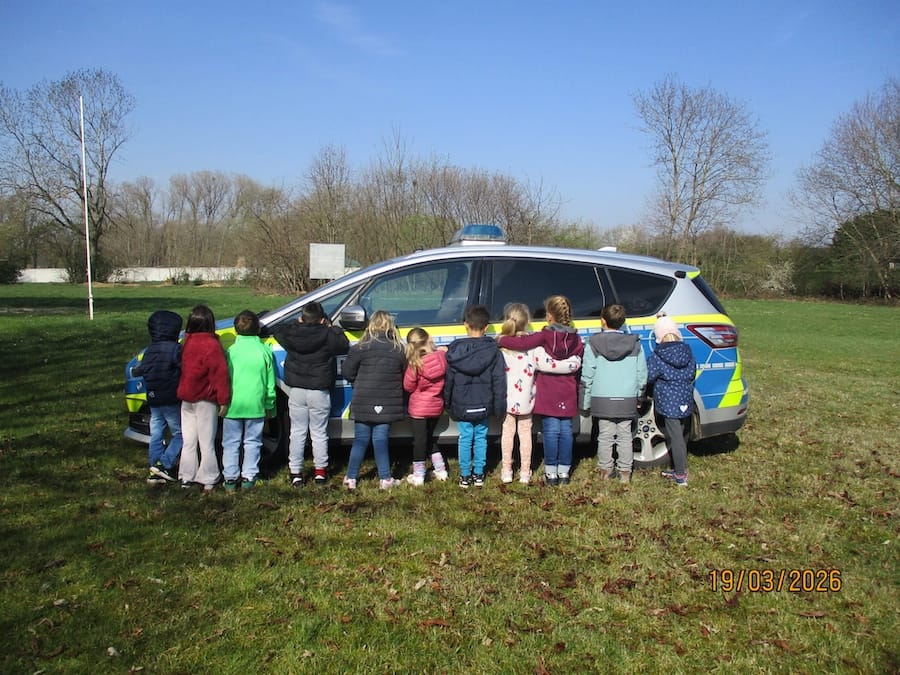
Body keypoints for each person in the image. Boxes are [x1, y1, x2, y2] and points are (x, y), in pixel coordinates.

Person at [497, 295, 583, 486]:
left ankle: (550, 472)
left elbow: (521, 345)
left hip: (545, 393)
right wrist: (571, 365)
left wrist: (500, 339)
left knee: (551, 431)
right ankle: (564, 472)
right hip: (566, 391)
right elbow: (577, 359)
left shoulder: (544, 335)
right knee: (566, 431)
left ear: (549, 316)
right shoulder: (576, 338)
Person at [273, 301, 350, 487]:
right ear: (322, 319)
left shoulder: (293, 333)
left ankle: (296, 472)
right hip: (319, 391)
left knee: (297, 432)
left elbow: (278, 329)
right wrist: (331, 327)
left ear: (301, 318)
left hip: (297, 390)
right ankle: (320, 472)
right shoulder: (327, 334)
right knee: (319, 432)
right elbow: (343, 344)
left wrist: (298, 323)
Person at [581, 304, 647, 484]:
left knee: (605, 436)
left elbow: (588, 375)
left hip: (602, 399)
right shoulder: (635, 344)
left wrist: (584, 403)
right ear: (623, 322)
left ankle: (605, 470)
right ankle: (625, 472)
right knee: (626, 436)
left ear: (603, 320)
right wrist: (640, 396)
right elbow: (642, 374)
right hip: (626, 398)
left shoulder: (593, 344)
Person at [342, 311, 407, 490]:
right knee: (380, 439)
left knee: (360, 439)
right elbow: (405, 375)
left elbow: (347, 372)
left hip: (363, 398)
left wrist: (358, 382)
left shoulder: (360, 347)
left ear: (371, 325)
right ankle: (385, 478)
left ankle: (351, 477)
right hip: (388, 400)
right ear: (390, 326)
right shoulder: (399, 349)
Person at [444, 305, 506, 488]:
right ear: (486, 327)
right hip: (484, 405)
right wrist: (499, 408)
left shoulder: (455, 353)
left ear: (465, 325)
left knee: (465, 438)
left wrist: (447, 405)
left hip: (462, 405)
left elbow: (449, 383)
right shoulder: (494, 352)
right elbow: (499, 382)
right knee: (480, 438)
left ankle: (464, 475)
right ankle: (479, 474)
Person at [176, 304, 231, 492]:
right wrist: (223, 399)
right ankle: (209, 477)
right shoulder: (212, 345)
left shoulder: (186, 342)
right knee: (207, 442)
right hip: (205, 400)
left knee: (189, 440)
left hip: (186, 398)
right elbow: (220, 374)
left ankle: (186, 475)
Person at [222, 310, 276, 492]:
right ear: (258, 329)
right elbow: (270, 384)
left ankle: (230, 477)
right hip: (256, 406)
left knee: (230, 443)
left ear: (235, 330)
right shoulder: (264, 351)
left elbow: (225, 380)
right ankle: (249, 476)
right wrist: (270, 406)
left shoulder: (231, 351)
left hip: (233, 406)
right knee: (253, 442)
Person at [132, 310, 183, 484]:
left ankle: (155, 468)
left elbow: (141, 369)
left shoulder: (149, 351)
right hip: (171, 399)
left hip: (154, 399)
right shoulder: (176, 349)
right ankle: (165, 464)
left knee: (157, 434)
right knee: (181, 433)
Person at [647, 314, 696, 487]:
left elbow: (649, 376)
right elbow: (692, 373)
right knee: (681, 434)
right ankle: (677, 468)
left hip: (668, 401)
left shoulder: (658, 355)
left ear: (658, 336)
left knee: (676, 438)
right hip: (685, 398)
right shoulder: (688, 352)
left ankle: (681, 475)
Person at [403, 327, 449, 485]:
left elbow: (408, 386)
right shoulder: (442, 358)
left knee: (420, 441)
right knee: (429, 438)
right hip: (436, 406)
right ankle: (441, 469)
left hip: (419, 409)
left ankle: (419, 475)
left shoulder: (414, 364)